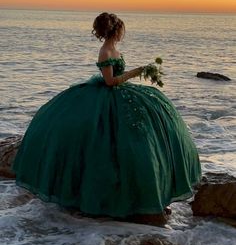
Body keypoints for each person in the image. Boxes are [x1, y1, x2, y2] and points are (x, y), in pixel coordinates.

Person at [13, 12, 201, 224]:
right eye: (122, 30)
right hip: (108, 96)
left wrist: (137, 71)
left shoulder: (114, 49)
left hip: (119, 93)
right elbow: (110, 81)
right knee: (108, 141)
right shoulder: (105, 51)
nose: (123, 34)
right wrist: (136, 72)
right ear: (116, 30)